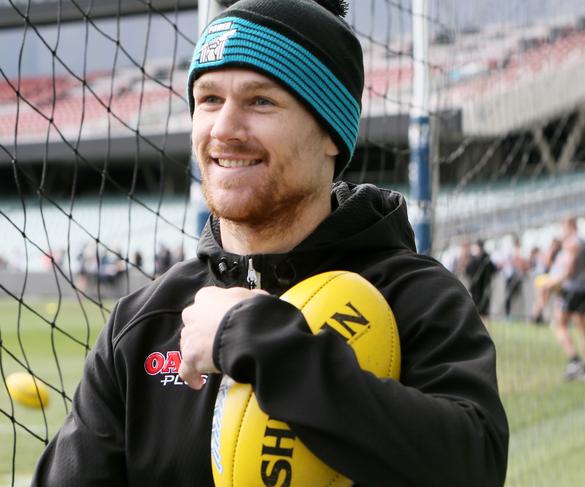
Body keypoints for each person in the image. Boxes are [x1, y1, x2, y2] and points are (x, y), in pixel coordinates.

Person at [31, 1, 508, 485]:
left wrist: (254, 338)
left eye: (261, 101)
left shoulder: (416, 298)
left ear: (330, 133)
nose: (223, 129)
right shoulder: (142, 323)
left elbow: (473, 465)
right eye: (209, 99)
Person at [539, 217, 585, 381]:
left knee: (559, 324)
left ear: (569, 226)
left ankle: (575, 362)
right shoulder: (576, 242)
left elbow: (569, 270)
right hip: (580, 289)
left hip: (572, 290)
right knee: (581, 327)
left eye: (563, 227)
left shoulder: (573, 244)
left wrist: (552, 283)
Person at [465, 239, 498, 322]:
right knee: (476, 310)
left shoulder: (486, 259)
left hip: (484, 289)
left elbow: (493, 270)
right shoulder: (474, 260)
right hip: (475, 289)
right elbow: (468, 271)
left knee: (484, 311)